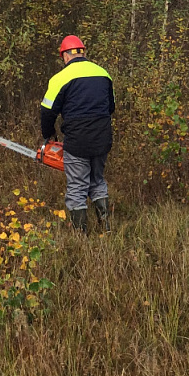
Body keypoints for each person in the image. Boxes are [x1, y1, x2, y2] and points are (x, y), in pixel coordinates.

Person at [41, 35, 115, 234]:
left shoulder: (60, 78)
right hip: (103, 138)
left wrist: (48, 135)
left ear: (64, 55)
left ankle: (80, 236)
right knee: (97, 180)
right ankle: (106, 227)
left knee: (77, 186)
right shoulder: (103, 73)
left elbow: (47, 111)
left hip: (77, 141)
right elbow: (111, 107)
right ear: (83, 52)